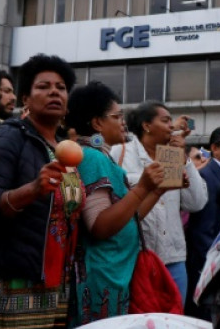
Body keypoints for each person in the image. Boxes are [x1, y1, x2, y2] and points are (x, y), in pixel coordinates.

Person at [0, 53, 79, 328]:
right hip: (11, 278)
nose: (54, 91)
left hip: (53, 280)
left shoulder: (65, 148)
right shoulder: (9, 136)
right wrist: (32, 189)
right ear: (25, 100)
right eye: (43, 86)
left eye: (61, 87)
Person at [63, 81, 168, 325]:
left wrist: (156, 191)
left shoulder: (101, 157)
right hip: (102, 278)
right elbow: (100, 226)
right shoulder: (90, 157)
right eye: (117, 116)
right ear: (97, 123)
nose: (123, 122)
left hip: (112, 273)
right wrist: (142, 188)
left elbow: (127, 217)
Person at [112, 102, 207, 304]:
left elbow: (195, 203)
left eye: (172, 121)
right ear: (146, 126)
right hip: (133, 257)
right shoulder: (119, 152)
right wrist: (145, 181)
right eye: (165, 121)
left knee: (172, 320)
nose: (172, 127)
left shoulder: (171, 155)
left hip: (173, 259)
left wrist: (183, 160)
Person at [184, 125, 220, 320]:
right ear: (215, 148)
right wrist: (213, 267)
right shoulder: (206, 176)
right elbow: (202, 231)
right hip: (211, 267)